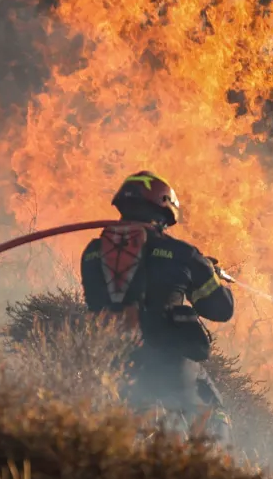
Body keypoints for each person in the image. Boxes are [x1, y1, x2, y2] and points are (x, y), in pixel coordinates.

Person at [79, 171, 235, 441]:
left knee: (118, 436)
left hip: (108, 365)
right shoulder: (183, 254)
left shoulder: (92, 252)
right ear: (164, 210)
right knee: (213, 415)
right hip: (170, 365)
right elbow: (220, 309)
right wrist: (207, 271)